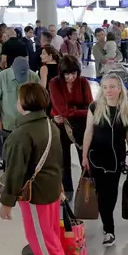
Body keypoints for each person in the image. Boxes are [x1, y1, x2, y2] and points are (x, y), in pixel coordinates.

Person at [0, 82, 85, 255]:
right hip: (51, 189)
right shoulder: (49, 124)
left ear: (23, 103)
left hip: (35, 196)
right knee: (49, 233)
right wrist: (60, 186)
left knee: (40, 237)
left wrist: (6, 201)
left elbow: (15, 172)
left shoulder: (22, 134)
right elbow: (57, 160)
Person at [81, 73, 128, 247]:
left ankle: (106, 219)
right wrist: (84, 155)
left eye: (112, 87)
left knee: (110, 193)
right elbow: (88, 132)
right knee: (102, 193)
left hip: (116, 158)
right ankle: (109, 229)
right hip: (96, 157)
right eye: (105, 87)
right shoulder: (94, 107)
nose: (108, 91)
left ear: (120, 89)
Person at [49, 55, 93, 202]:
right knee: (63, 162)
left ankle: (88, 192)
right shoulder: (54, 83)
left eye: (73, 73)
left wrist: (70, 111)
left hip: (81, 127)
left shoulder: (83, 82)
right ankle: (67, 192)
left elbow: (91, 107)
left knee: (85, 159)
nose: (70, 77)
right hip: (62, 128)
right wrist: (78, 111)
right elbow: (61, 109)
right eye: (67, 74)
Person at [0, 56, 41, 170]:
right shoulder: (2, 77)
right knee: (9, 156)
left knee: (28, 155)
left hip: (29, 125)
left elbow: (38, 101)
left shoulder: (33, 76)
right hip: (9, 124)